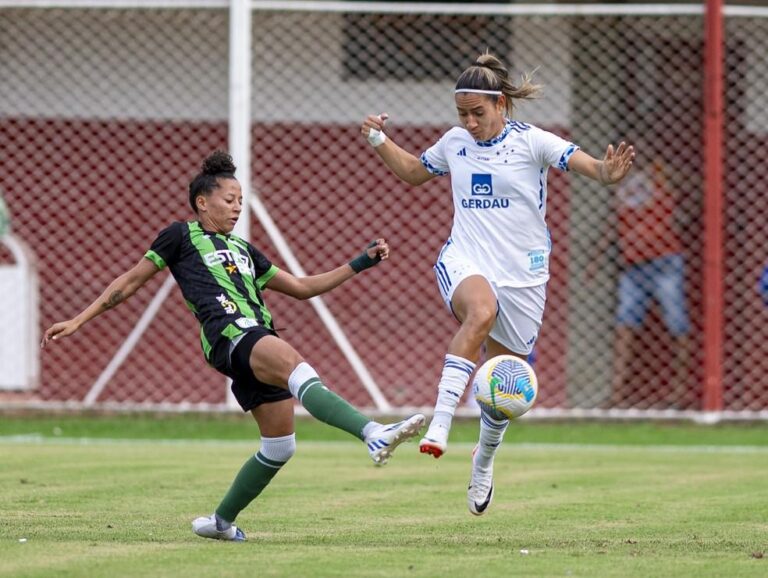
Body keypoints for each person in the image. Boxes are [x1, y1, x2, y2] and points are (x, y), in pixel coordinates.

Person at [41, 151, 425, 541]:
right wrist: (78, 320)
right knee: (295, 365)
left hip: (252, 335)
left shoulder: (243, 250)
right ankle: (372, 432)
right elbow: (129, 282)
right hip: (231, 334)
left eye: (240, 201)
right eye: (229, 200)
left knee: (280, 446)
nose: (237, 208)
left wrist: (360, 262)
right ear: (202, 202)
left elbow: (302, 288)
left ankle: (221, 522)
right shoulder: (180, 235)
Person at [360, 52, 634, 515]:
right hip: (466, 258)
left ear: (502, 105)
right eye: (462, 114)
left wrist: (606, 173)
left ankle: (483, 460)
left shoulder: (533, 142)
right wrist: (376, 138)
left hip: (524, 276)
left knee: (502, 389)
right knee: (480, 312)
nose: (469, 122)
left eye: (477, 113)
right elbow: (412, 172)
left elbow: (582, 162)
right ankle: (440, 424)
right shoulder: (454, 142)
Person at [586, 154, 690, 408]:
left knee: (677, 323)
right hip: (633, 264)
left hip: (664, 260)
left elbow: (684, 186)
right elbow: (615, 223)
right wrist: (596, 258)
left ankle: (680, 390)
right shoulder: (619, 181)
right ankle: (617, 393)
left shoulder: (659, 170)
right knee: (624, 324)